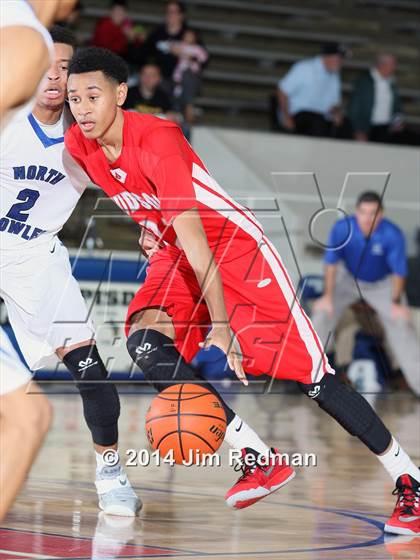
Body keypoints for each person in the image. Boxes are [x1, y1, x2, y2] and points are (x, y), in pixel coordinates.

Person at [65, 47, 419, 534]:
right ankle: (256, 455)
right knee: (145, 342)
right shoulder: (80, 145)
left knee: (314, 377)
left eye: (92, 95)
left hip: (232, 250)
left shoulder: (158, 138)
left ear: (121, 94)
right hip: (177, 254)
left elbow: (196, 238)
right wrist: (147, 227)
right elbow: (142, 204)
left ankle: (409, 479)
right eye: (73, 97)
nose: (81, 107)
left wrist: (224, 325)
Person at [0, 28, 140, 517]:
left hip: (35, 255)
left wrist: (149, 223)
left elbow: (135, 177)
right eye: (46, 65)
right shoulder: (6, 119)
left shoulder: (87, 137)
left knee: (89, 367)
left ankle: (110, 472)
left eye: (64, 67)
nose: (54, 76)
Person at [0, 0, 76, 522]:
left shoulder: (80, 137)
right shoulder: (26, 38)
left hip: (33, 254)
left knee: (29, 415)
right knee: (27, 418)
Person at [311, 190, 420, 399]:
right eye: (363, 212)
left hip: (382, 284)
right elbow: (331, 263)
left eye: (373, 213)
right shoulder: (343, 228)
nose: (368, 218)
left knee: (401, 324)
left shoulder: (392, 234)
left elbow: (398, 272)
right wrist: (327, 296)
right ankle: (307, 378)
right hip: (348, 278)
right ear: (356, 213)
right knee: (322, 315)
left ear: (382, 215)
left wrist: (396, 303)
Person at [277, 42, 349, 138]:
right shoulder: (305, 68)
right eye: (338, 59)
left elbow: (333, 103)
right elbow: (282, 91)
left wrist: (336, 113)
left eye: (341, 60)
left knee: (346, 125)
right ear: (326, 56)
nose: (340, 63)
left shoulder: (334, 75)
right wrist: (286, 116)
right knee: (316, 122)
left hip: (321, 117)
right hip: (298, 114)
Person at [348, 54, 420, 145]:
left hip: (386, 127)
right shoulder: (364, 82)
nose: (394, 67)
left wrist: (398, 122)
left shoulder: (390, 82)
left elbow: (397, 106)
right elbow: (354, 107)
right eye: (392, 64)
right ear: (382, 65)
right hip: (369, 128)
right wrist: (359, 130)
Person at [142, 1, 188, 83]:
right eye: (168, 11)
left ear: (181, 15)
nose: (170, 15)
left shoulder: (189, 35)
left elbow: (202, 58)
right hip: (159, 77)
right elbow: (144, 53)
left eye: (173, 12)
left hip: (182, 78)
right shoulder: (157, 33)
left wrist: (183, 54)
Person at [171, 28, 208, 123]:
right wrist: (174, 49)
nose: (187, 38)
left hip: (191, 73)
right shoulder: (181, 46)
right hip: (180, 73)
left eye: (190, 36)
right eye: (186, 36)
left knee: (186, 79)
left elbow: (203, 58)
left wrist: (192, 58)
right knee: (178, 89)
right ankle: (184, 109)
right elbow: (171, 47)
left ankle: (188, 107)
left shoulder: (197, 48)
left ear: (195, 38)